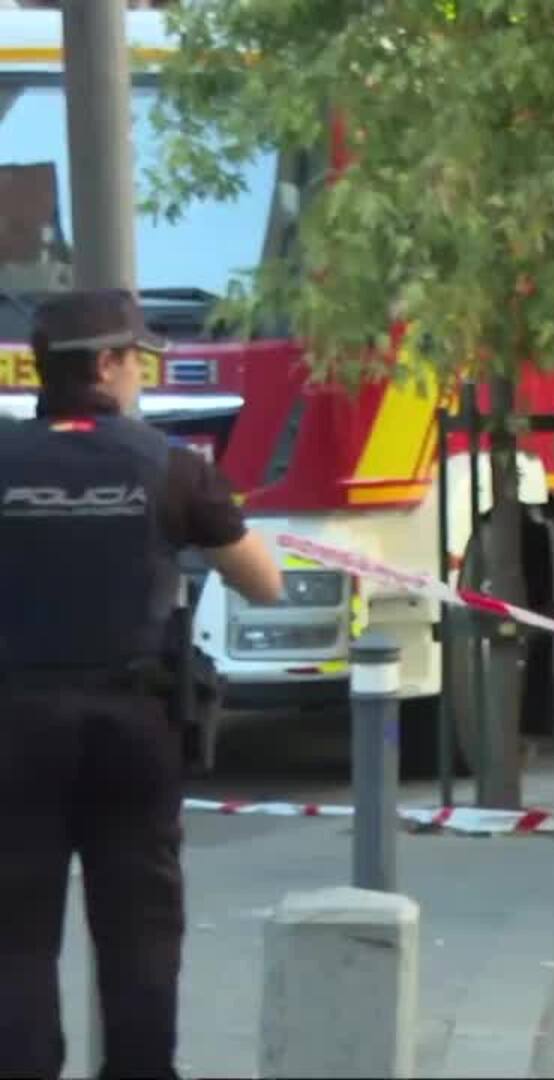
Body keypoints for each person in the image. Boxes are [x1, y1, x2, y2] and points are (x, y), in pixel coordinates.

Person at [0, 290, 285, 1079]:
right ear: (103, 364)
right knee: (139, 932)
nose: (140, 376)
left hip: (14, 726)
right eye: (136, 359)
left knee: (15, 935)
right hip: (133, 729)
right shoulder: (172, 467)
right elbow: (264, 583)